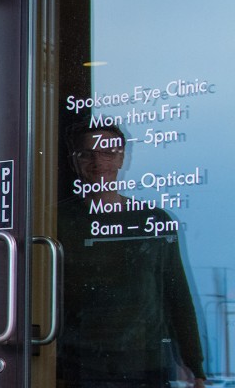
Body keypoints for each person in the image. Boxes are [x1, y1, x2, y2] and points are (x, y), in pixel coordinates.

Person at [55, 124, 205, 388]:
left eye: (108, 153)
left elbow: (177, 296)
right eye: (87, 154)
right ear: (74, 161)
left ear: (123, 157)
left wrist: (194, 365)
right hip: (79, 364)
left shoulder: (154, 221)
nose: (98, 162)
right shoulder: (56, 221)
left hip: (146, 365)